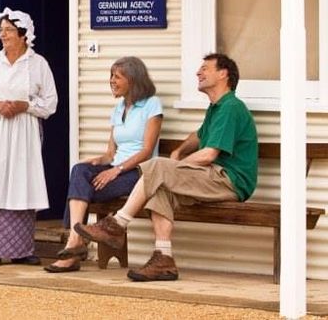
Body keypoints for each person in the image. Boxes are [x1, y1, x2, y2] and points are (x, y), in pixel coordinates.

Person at [75, 53, 258, 281]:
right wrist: (180, 150)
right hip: (211, 177)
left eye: (205, 69)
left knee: (159, 167)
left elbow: (210, 153)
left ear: (223, 74)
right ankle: (164, 260)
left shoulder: (231, 107)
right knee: (160, 190)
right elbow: (199, 136)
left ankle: (117, 224)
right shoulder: (217, 108)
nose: (198, 73)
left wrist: (174, 165)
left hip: (229, 180)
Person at [45, 56, 163, 273]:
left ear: (133, 79)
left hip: (138, 173)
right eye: (111, 76)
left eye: (117, 77)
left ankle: (73, 248)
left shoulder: (152, 105)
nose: (112, 81)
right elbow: (111, 153)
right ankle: (75, 241)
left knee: (81, 189)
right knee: (79, 170)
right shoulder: (118, 109)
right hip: (116, 169)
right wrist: (99, 162)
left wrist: (115, 171)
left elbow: (146, 151)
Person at [0, 8, 58, 266]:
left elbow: (50, 103)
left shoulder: (38, 64)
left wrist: (25, 105)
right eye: (1, 30)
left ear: (23, 34)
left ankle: (21, 249)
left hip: (23, 133)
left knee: (21, 182)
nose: (3, 35)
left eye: (8, 30)